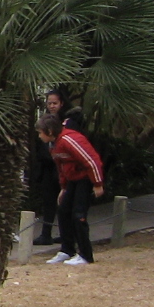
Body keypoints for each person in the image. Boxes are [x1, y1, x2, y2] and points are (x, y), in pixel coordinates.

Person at [43, 113, 105, 266]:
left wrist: (98, 183)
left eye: (40, 132)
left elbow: (91, 160)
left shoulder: (69, 139)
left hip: (85, 179)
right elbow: (61, 167)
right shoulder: (54, 145)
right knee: (63, 211)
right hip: (72, 180)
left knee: (78, 215)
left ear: (49, 131)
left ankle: (85, 254)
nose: (39, 136)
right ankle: (67, 249)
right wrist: (63, 187)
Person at [26, 88, 66, 246]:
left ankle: (65, 234)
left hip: (60, 166)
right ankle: (46, 233)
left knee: (63, 202)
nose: (52, 106)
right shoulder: (44, 120)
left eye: (55, 103)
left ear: (61, 103)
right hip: (47, 167)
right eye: (49, 103)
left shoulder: (67, 121)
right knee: (48, 201)